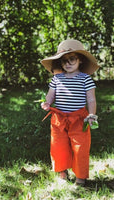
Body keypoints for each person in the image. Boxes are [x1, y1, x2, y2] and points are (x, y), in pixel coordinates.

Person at [40, 39, 99, 186]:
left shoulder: (86, 79)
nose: (68, 63)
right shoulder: (57, 78)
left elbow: (91, 99)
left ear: (80, 60)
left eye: (72, 58)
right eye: (64, 60)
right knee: (59, 146)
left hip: (79, 119)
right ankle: (62, 172)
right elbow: (51, 94)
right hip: (59, 118)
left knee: (80, 147)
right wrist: (47, 102)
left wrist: (91, 115)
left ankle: (80, 176)